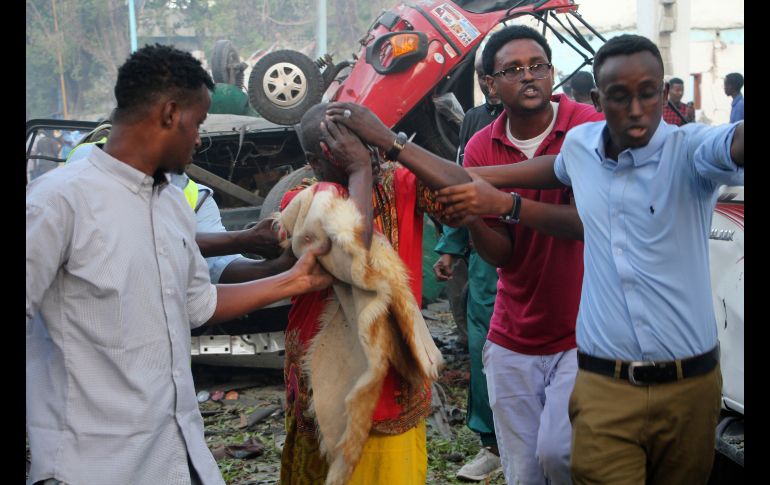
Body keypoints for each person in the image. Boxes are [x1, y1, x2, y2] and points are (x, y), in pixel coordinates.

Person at [435, 34, 744, 485]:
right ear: (601, 99)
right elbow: (551, 170)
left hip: (688, 384)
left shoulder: (690, 151)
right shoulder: (580, 146)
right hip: (603, 379)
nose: (636, 109)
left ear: (664, 93)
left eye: (648, 93)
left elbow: (732, 142)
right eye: (620, 96)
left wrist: (502, 202)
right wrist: (469, 181)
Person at [26, 44, 332, 485]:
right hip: (90, 463)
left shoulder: (171, 201)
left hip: (177, 451)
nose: (199, 138)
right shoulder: (57, 203)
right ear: (170, 114)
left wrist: (295, 279)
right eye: (197, 123)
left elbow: (196, 303)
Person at [329, 27, 602, 485]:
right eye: (513, 70)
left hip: (585, 331)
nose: (529, 76)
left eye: (538, 66)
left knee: (562, 455)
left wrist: (502, 202)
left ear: (553, 73)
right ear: (491, 85)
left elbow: (589, 223)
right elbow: (504, 257)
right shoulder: (481, 144)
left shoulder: (584, 125)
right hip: (514, 332)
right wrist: (475, 217)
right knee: (524, 469)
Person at [278, 102, 469, 485]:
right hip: (332, 375)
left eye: (367, 145)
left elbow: (464, 188)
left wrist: (391, 141)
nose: (368, 156)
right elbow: (356, 254)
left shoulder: (397, 179)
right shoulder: (303, 198)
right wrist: (359, 171)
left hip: (392, 377)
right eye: (347, 151)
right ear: (315, 162)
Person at [432, 52, 502, 482]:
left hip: (550, 255)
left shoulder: (567, 124)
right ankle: (492, 444)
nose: (521, 80)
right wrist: (451, 247)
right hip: (488, 260)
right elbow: (461, 185)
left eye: (535, 67)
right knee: (484, 348)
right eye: (501, 73)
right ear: (485, 80)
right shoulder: (475, 122)